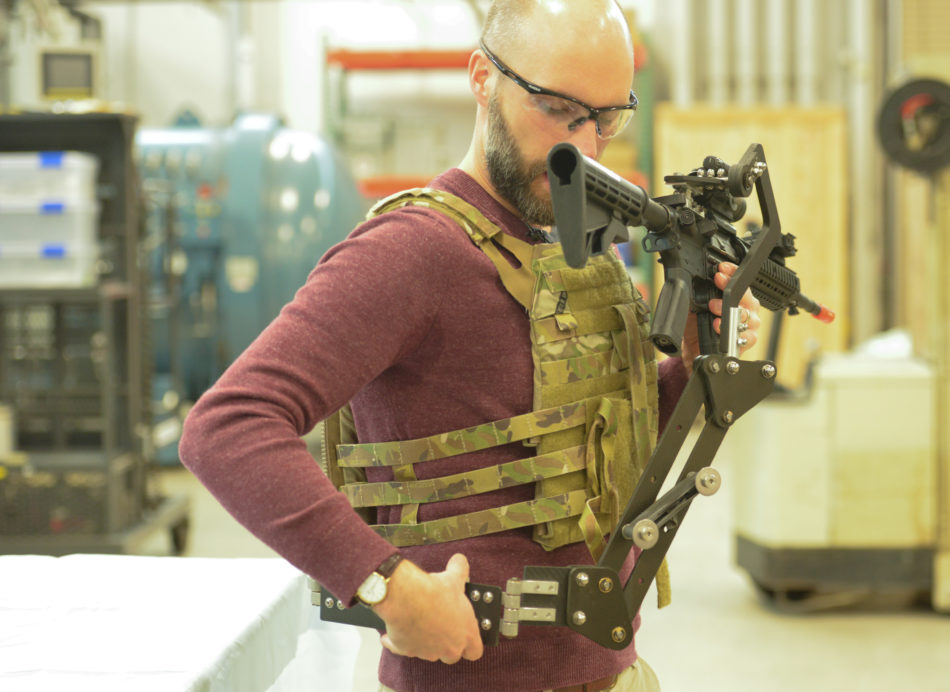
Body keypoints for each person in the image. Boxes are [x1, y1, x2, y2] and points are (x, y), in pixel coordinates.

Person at [179, 1, 762, 691]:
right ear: (483, 78)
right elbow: (226, 427)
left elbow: (601, 455)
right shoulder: (411, 253)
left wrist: (693, 365)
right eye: (559, 110)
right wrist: (385, 586)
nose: (587, 148)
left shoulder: (570, 250)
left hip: (612, 672)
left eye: (607, 117)